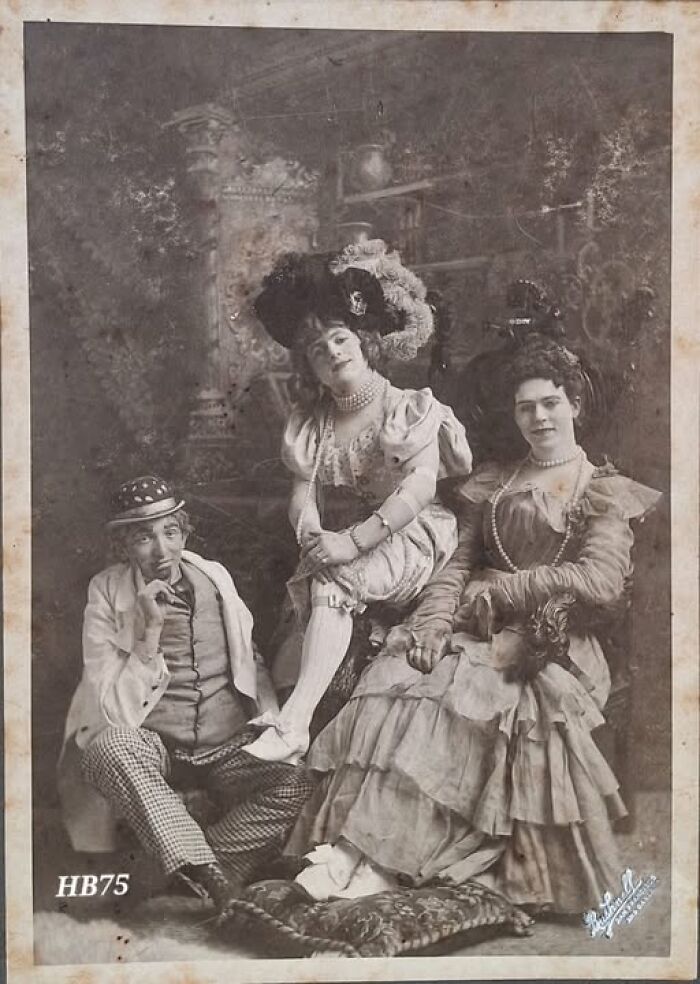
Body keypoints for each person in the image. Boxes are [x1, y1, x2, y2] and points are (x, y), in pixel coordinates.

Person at [285, 332, 661, 912]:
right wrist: (434, 621)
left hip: (547, 643)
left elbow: (601, 582)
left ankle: (388, 862)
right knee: (393, 683)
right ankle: (352, 851)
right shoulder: (497, 481)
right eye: (525, 407)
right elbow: (457, 562)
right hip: (471, 629)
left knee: (462, 701)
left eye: (550, 403)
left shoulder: (600, 488)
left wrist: (508, 589)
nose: (538, 418)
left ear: (575, 406)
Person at [243, 240, 473, 764]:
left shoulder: (408, 407)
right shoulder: (312, 423)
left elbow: (419, 488)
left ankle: (294, 725)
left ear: (365, 343)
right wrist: (314, 540)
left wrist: (349, 542)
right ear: (311, 368)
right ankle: (285, 722)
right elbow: (302, 495)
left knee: (334, 581)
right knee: (291, 643)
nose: (334, 354)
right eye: (319, 351)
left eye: (341, 339)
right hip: (345, 542)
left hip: (413, 535)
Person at [57, 476, 314, 913]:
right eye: (144, 537)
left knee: (297, 781)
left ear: (184, 532)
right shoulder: (106, 592)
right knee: (107, 749)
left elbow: (250, 660)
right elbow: (113, 711)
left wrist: (272, 723)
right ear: (123, 545)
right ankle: (215, 879)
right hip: (158, 749)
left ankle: (195, 871)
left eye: (170, 532)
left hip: (228, 746)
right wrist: (149, 633)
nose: (161, 550)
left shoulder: (215, 576)